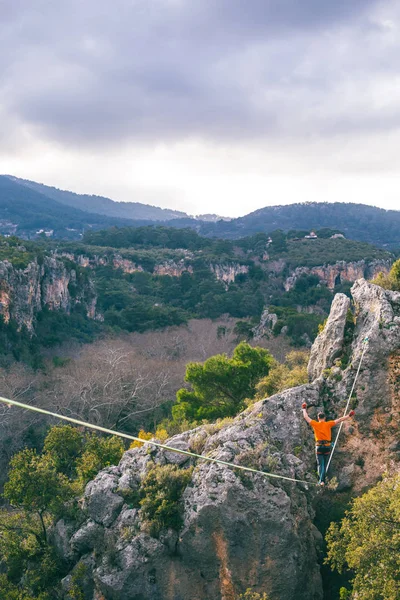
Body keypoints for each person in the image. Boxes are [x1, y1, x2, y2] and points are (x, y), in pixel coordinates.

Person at [302, 403, 355, 486]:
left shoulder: (315, 424)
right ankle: (322, 481)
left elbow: (306, 417)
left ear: (318, 418)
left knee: (320, 464)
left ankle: (321, 481)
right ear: (325, 418)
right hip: (327, 447)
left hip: (319, 446)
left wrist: (304, 408)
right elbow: (340, 419)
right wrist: (349, 415)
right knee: (324, 464)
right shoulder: (328, 424)